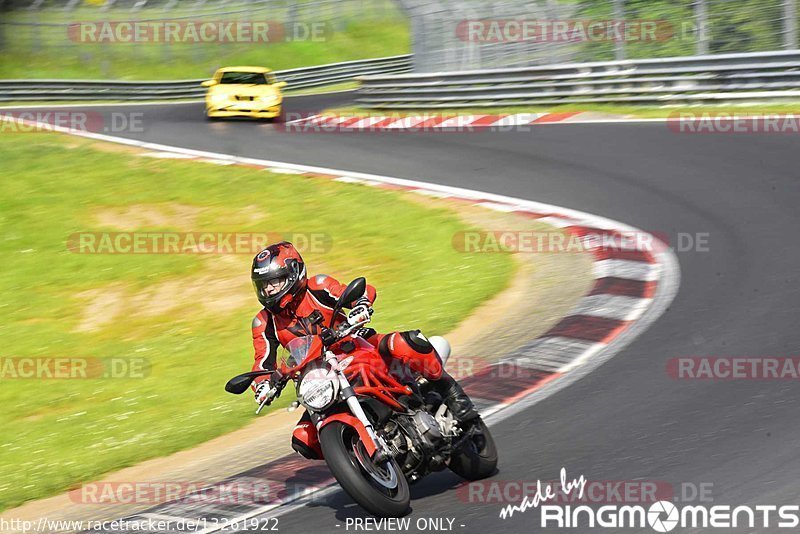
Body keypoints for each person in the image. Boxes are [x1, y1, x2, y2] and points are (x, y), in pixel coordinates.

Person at [248, 241, 477, 460]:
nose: (269, 290)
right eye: (264, 285)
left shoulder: (317, 287)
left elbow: (360, 291)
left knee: (406, 343)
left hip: (355, 346)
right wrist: (262, 385)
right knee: (303, 439)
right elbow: (262, 362)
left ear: (293, 272)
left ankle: (454, 397)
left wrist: (361, 306)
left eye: (274, 282)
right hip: (318, 376)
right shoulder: (264, 322)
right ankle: (358, 456)